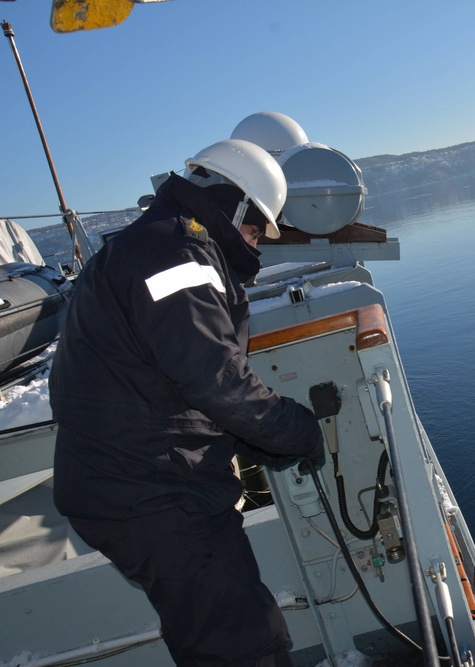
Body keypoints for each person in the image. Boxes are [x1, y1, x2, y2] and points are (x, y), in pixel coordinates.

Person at [49, 138, 324, 667]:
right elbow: (217, 379)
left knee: (219, 631)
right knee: (243, 642)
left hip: (140, 481)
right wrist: (297, 430)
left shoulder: (159, 242)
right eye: (255, 227)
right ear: (236, 203)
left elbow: (166, 380)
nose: (256, 243)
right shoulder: (175, 255)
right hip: (150, 490)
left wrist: (251, 439)